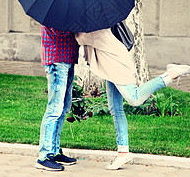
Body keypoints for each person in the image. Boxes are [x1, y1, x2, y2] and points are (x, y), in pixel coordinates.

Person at [75, 27, 190, 170]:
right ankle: (123, 152)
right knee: (115, 109)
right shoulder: (95, 17)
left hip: (114, 61)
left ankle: (171, 74)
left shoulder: (94, 21)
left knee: (134, 98)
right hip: (108, 61)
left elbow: (81, 37)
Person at [35, 26, 79, 171]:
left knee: (63, 108)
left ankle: (54, 151)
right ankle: (44, 156)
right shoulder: (54, 9)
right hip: (56, 60)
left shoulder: (68, 8)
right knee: (54, 109)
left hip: (68, 59)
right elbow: (60, 30)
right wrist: (79, 28)